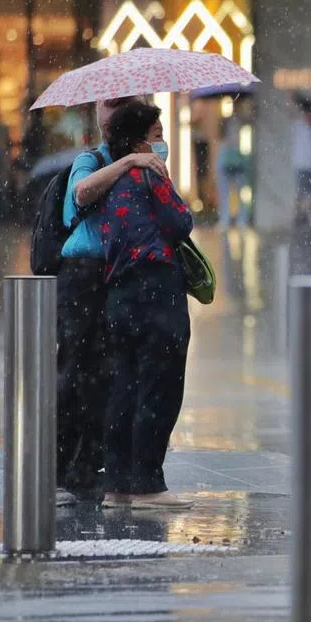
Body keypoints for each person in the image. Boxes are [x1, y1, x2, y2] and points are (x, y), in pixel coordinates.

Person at [56, 96, 167, 506]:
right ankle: (56, 471)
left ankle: (91, 466)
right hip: (84, 275)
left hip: (121, 276)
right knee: (75, 372)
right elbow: (82, 194)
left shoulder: (149, 164)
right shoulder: (91, 160)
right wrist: (129, 163)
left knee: (113, 375)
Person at [99, 100, 194, 510]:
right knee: (160, 386)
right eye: (157, 136)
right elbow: (180, 222)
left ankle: (117, 485)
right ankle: (148, 485)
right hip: (156, 288)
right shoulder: (150, 174)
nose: (162, 143)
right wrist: (170, 187)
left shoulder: (109, 180)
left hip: (119, 293)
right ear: (138, 143)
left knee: (125, 387)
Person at [216, 116, 251, 231]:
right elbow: (221, 159)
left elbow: (244, 156)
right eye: (232, 126)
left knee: (241, 196)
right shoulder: (224, 142)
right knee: (225, 196)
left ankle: (241, 220)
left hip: (238, 168)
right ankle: (225, 220)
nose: (234, 128)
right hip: (226, 168)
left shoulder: (243, 138)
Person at [292, 99, 311, 226]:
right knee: (302, 193)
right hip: (301, 165)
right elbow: (290, 111)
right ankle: (298, 217)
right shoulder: (299, 125)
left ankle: (304, 215)